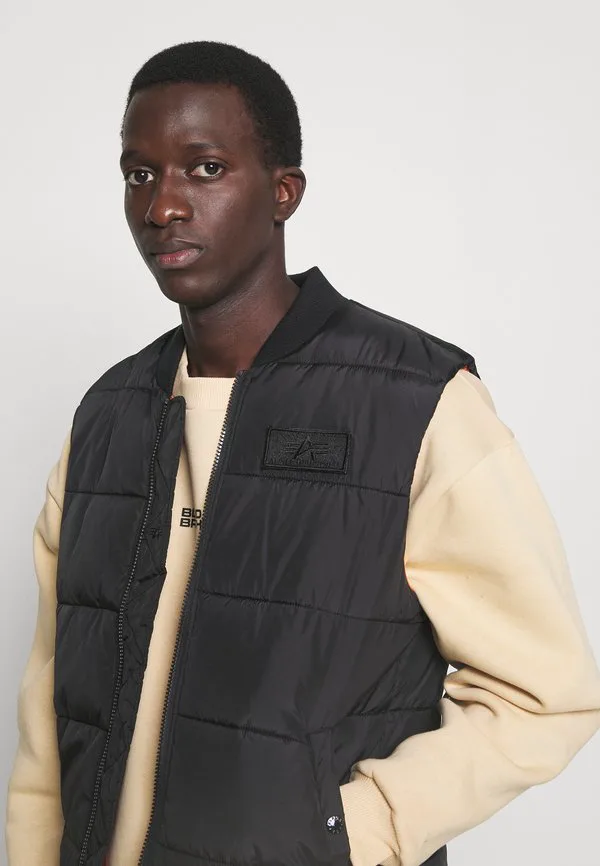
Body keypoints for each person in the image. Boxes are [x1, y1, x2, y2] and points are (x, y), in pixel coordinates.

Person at [5, 39, 600, 866]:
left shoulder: (415, 401)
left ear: (283, 191)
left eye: (205, 169)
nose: (163, 206)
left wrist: (347, 832)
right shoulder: (106, 416)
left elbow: (545, 693)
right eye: (140, 174)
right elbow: (51, 713)